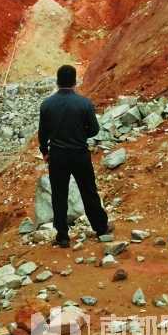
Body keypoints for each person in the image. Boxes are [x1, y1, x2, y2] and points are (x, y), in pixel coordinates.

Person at [38, 64, 109, 247]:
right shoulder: (84, 103)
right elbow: (94, 130)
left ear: (57, 81)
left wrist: (45, 152)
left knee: (59, 195)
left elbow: (42, 134)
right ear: (75, 81)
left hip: (58, 156)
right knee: (88, 191)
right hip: (79, 154)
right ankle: (100, 228)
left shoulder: (47, 105)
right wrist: (79, 134)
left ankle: (62, 236)